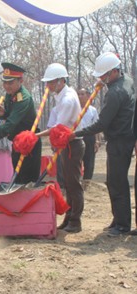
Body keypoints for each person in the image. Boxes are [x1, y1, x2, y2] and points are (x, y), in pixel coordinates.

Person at [71, 52, 135, 237]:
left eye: (104, 76)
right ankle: (119, 219)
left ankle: (122, 225)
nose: (102, 79)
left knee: (117, 182)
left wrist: (76, 133)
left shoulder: (115, 93)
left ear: (114, 71)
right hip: (125, 137)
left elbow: (101, 124)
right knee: (114, 181)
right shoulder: (127, 81)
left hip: (119, 141)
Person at [37, 63, 85, 233]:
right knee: (66, 182)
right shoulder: (59, 96)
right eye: (48, 82)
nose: (48, 86)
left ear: (61, 81)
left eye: (51, 82)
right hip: (65, 144)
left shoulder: (68, 99)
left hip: (73, 144)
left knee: (73, 184)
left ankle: (75, 221)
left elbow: (58, 127)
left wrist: (36, 136)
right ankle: (69, 216)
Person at [0, 63, 41, 185]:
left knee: (29, 182)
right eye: (5, 82)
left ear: (21, 81)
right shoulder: (9, 95)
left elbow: (10, 124)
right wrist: (3, 113)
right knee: (17, 178)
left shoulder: (23, 98)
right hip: (16, 141)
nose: (7, 86)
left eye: (10, 83)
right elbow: (11, 115)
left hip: (29, 144)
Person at [77, 88, 101, 189]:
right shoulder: (75, 109)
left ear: (88, 96)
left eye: (82, 94)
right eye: (78, 94)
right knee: (76, 161)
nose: (80, 96)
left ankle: (86, 184)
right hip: (77, 136)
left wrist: (97, 140)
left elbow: (97, 126)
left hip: (89, 137)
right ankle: (76, 183)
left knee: (89, 161)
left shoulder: (93, 110)